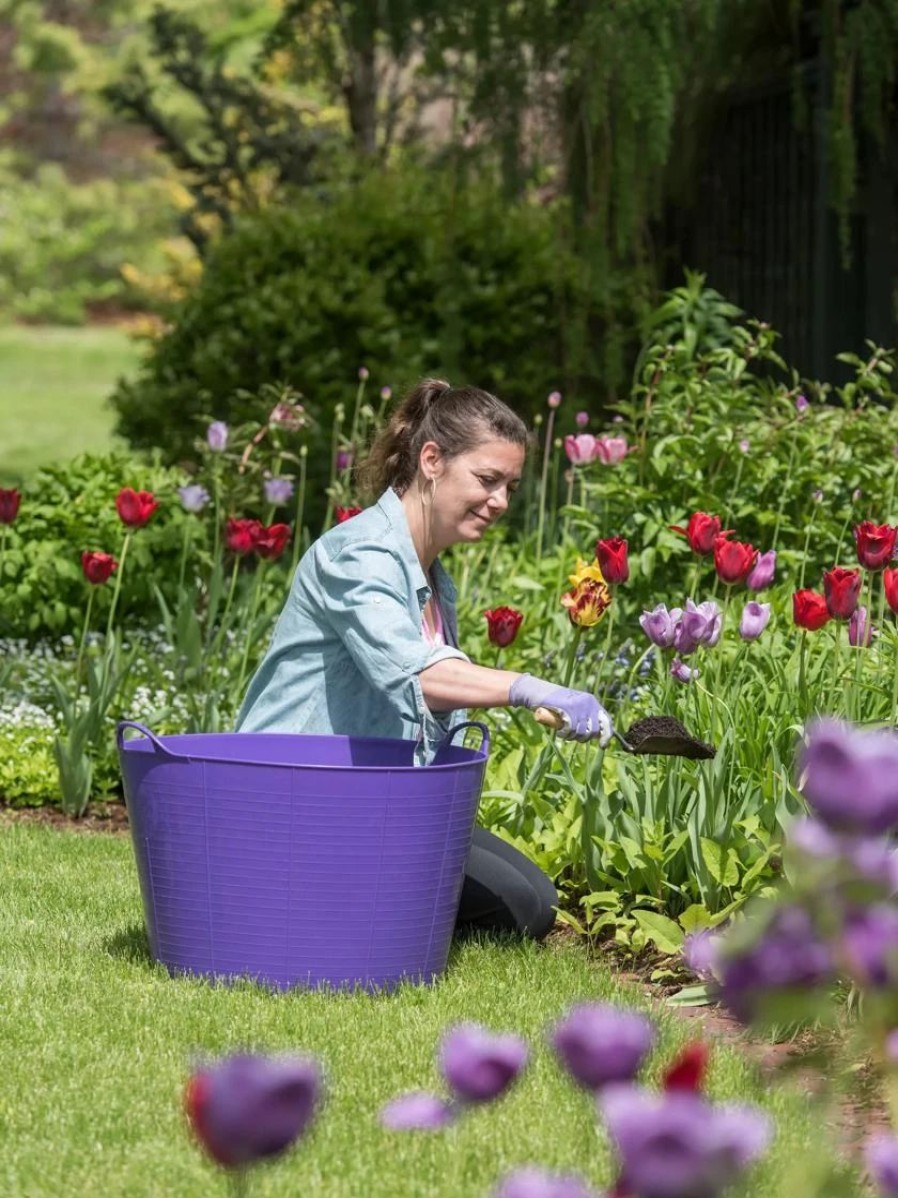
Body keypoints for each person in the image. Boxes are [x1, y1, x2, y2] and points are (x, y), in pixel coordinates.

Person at [236, 379, 613, 941]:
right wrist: (528, 686)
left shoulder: (433, 575)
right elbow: (417, 674)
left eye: (510, 485)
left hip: (369, 791)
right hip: (300, 794)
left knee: (533, 900)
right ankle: (323, 902)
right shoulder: (359, 554)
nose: (501, 501)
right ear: (431, 460)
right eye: (487, 480)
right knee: (512, 909)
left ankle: (374, 893)